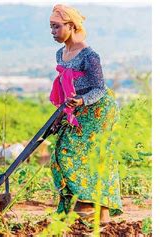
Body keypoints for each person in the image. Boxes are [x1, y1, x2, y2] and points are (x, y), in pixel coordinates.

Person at [48, 4, 122, 224]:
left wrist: (81, 100)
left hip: (98, 109)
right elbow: (66, 89)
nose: (53, 32)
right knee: (61, 152)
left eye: (56, 27)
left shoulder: (89, 55)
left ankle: (88, 205)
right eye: (51, 28)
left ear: (71, 26)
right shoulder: (60, 53)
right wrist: (60, 116)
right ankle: (85, 206)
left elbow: (99, 88)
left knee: (75, 153)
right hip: (77, 107)